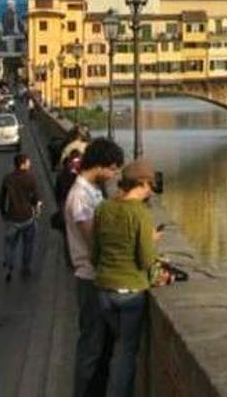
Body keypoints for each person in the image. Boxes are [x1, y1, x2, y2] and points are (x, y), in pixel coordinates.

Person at [91, 159, 163, 397]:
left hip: (103, 291)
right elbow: (145, 261)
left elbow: (94, 255)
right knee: (125, 352)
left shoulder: (103, 208)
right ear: (141, 183)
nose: (150, 191)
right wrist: (152, 242)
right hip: (129, 293)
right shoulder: (140, 213)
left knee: (116, 346)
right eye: (149, 186)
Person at [64, 138, 124, 397]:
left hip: (99, 278)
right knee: (91, 347)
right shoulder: (80, 196)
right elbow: (93, 239)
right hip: (90, 278)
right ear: (100, 165)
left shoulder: (93, 190)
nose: (114, 175)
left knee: (103, 348)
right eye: (113, 169)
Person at [0, 154, 41, 282]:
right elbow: (36, 198)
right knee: (28, 244)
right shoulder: (31, 178)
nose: (30, 164)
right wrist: (36, 208)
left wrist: (3, 213)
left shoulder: (8, 178)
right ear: (23, 164)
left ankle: (9, 265)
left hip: (12, 217)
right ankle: (26, 267)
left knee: (10, 243)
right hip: (27, 217)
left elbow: (1, 198)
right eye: (28, 162)